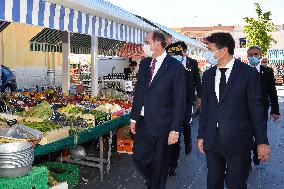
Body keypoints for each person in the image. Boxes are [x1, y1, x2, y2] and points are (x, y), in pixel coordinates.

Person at [197, 32, 270, 189]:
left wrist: (262, 141)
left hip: (239, 141)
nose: (207, 53)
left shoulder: (248, 74)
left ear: (223, 50)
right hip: (212, 140)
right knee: (213, 182)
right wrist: (201, 135)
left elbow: (256, 109)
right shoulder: (208, 75)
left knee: (236, 183)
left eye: (210, 49)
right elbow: (206, 109)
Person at [130, 30, 186, 189]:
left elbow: (180, 100)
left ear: (157, 43)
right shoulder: (145, 63)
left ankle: (155, 184)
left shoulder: (175, 67)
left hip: (164, 125)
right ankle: (153, 182)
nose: (144, 45)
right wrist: (134, 118)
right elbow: (139, 92)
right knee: (138, 157)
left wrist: (175, 129)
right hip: (143, 122)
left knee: (160, 165)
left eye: (147, 42)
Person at [166, 41, 200, 176]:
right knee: (175, 128)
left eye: (180, 52)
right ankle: (172, 164)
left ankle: (188, 141)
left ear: (185, 51)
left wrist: (199, 97)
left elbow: (197, 80)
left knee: (184, 123)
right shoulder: (169, 62)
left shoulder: (192, 63)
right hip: (171, 101)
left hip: (186, 100)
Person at [247, 46, 280, 165]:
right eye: (250, 55)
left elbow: (272, 92)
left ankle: (257, 153)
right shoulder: (242, 71)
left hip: (261, 109)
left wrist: (275, 110)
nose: (253, 57)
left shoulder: (267, 72)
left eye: (255, 54)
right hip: (244, 111)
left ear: (260, 56)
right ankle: (246, 159)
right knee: (246, 136)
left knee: (260, 132)